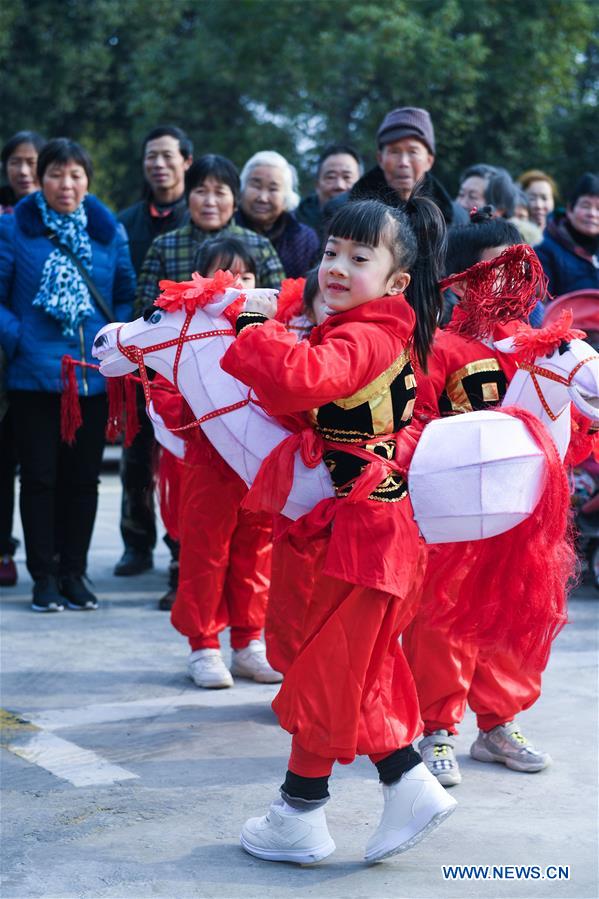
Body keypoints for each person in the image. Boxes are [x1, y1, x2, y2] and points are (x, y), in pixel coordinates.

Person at [221, 196, 457, 865]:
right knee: (356, 667)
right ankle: (404, 783)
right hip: (362, 527)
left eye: (359, 257)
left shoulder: (365, 334)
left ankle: (300, 811)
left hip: (365, 534)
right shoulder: (370, 328)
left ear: (394, 282)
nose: (336, 266)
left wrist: (250, 329)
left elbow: (303, 380)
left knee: (326, 669)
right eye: (329, 252)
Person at [403, 211, 552, 787]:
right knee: (445, 613)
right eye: (500, 268)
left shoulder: (539, 343)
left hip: (525, 508)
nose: (514, 281)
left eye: (522, 266)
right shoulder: (438, 345)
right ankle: (437, 726)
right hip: (456, 511)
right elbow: (414, 420)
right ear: (463, 280)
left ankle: (499, 722)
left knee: (514, 610)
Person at [0, 137, 135, 611]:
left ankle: (74, 573)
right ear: (41, 179)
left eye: (76, 174)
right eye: (56, 173)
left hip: (92, 377)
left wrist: (110, 343)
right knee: (39, 479)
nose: (66, 184)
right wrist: (19, 339)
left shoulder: (108, 231)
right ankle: (44, 578)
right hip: (35, 378)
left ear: (87, 181)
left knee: (83, 480)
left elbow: (124, 293)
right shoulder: (14, 228)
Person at [151, 241, 281, 687]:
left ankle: (249, 641)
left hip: (256, 461)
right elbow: (164, 389)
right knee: (205, 551)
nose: (236, 285)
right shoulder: (183, 328)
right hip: (209, 460)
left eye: (244, 276)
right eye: (223, 275)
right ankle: (203, 644)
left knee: (257, 550)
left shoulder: (270, 326)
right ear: (200, 282)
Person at [114, 125, 193, 579]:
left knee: (180, 462)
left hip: (186, 363)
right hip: (141, 357)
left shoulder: (197, 216)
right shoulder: (127, 222)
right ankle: (136, 542)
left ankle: (179, 547)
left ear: (185, 160)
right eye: (151, 157)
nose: (158, 164)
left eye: (167, 156)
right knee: (138, 455)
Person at [136, 155, 285, 314]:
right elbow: (144, 308)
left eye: (220, 193)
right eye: (201, 191)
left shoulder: (259, 245)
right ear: (187, 198)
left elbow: (280, 302)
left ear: (235, 201)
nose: (210, 202)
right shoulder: (164, 246)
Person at [0, 131, 46, 587]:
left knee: (36, 466)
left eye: (33, 162)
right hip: (12, 358)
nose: (24, 171)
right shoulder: (5, 218)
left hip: (38, 367)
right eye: (15, 161)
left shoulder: (59, 221)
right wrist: (18, 337)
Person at [325, 107, 468, 229]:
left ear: (429, 161)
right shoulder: (341, 210)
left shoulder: (457, 218)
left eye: (413, 152)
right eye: (394, 151)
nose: (403, 162)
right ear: (380, 159)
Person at [236, 151, 320, 278]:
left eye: (273, 189)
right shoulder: (225, 231)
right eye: (256, 185)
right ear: (241, 189)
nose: (263, 198)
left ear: (287, 196)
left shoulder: (305, 239)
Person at [535, 172, 599, 297]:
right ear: (570, 209)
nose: (592, 214)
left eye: (598, 209)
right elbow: (540, 303)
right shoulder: (545, 249)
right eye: (586, 206)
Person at [296, 144, 362, 236]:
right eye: (331, 177)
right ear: (317, 185)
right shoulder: (294, 224)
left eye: (347, 177)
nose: (339, 186)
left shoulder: (376, 223)